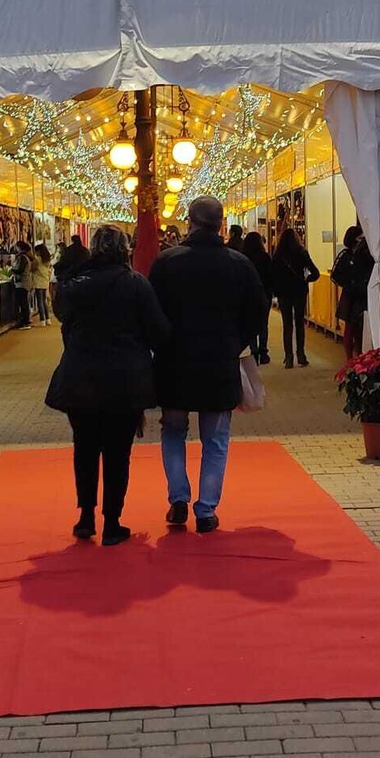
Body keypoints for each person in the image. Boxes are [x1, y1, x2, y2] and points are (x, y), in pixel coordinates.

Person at [45, 225, 171, 545]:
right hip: (125, 380)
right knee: (117, 453)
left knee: (84, 448)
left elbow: (64, 321)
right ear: (124, 249)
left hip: (80, 378)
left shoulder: (75, 284)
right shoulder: (136, 285)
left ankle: (86, 516)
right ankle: (112, 522)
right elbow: (159, 331)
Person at [149, 196, 267, 533]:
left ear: (190, 222)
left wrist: (162, 343)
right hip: (219, 363)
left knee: (173, 430)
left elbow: (151, 312)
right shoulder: (239, 264)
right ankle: (206, 510)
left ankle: (178, 498)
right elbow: (258, 311)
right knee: (215, 439)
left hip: (174, 363)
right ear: (220, 223)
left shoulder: (166, 263)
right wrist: (235, 342)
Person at [271, 228, 319, 368]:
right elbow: (315, 273)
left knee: (287, 324)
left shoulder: (278, 254)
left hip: (284, 292)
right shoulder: (302, 252)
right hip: (299, 291)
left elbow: (273, 275)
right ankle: (301, 355)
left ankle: (288, 357)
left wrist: (276, 291)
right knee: (299, 323)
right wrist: (305, 279)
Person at [332, 225, 376, 361]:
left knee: (353, 329)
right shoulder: (354, 255)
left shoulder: (348, 255)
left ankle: (354, 359)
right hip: (356, 296)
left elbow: (335, 276)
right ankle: (354, 359)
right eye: (360, 237)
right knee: (354, 329)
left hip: (352, 295)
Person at [241, 231, 274, 365]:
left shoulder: (244, 258)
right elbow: (270, 276)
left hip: (248, 295)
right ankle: (263, 352)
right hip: (264, 294)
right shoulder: (265, 257)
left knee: (251, 322)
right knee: (263, 324)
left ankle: (254, 351)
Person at [10, 240, 33, 329]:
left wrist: (12, 270)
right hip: (24, 282)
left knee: (23, 303)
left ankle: (25, 322)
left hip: (22, 283)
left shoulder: (22, 257)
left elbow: (20, 269)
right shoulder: (25, 257)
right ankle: (25, 321)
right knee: (24, 303)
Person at [31, 243, 53, 324]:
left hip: (38, 282)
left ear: (39, 251)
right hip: (45, 281)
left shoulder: (37, 260)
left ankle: (42, 319)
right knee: (44, 301)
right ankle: (48, 319)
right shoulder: (47, 259)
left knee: (39, 301)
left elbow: (32, 268)